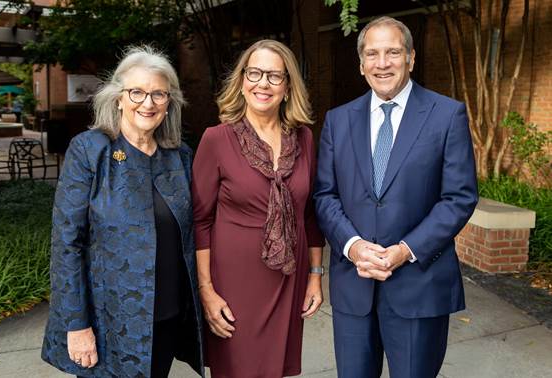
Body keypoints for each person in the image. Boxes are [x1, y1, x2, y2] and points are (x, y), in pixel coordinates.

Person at [314, 16, 478, 378]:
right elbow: (325, 195)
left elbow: (459, 197)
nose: (382, 63)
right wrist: (353, 245)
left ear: (411, 58)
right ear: (361, 64)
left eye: (392, 52)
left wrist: (405, 250)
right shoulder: (338, 120)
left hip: (419, 286)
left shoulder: (447, 115)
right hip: (354, 287)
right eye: (372, 54)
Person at [41, 46, 204, 378]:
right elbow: (67, 244)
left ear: (169, 102)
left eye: (158, 94)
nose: (148, 103)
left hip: (167, 316)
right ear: (118, 98)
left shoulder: (180, 156)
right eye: (137, 92)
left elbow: (197, 230)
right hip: (107, 323)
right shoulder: (89, 151)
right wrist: (76, 324)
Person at [192, 39, 325, 378]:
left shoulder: (305, 139)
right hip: (233, 286)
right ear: (241, 80)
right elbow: (201, 220)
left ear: (288, 86)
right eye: (254, 73)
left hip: (287, 279)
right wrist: (206, 291)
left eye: (274, 76)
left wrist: (315, 277)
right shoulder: (216, 139)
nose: (263, 83)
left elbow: (309, 214)